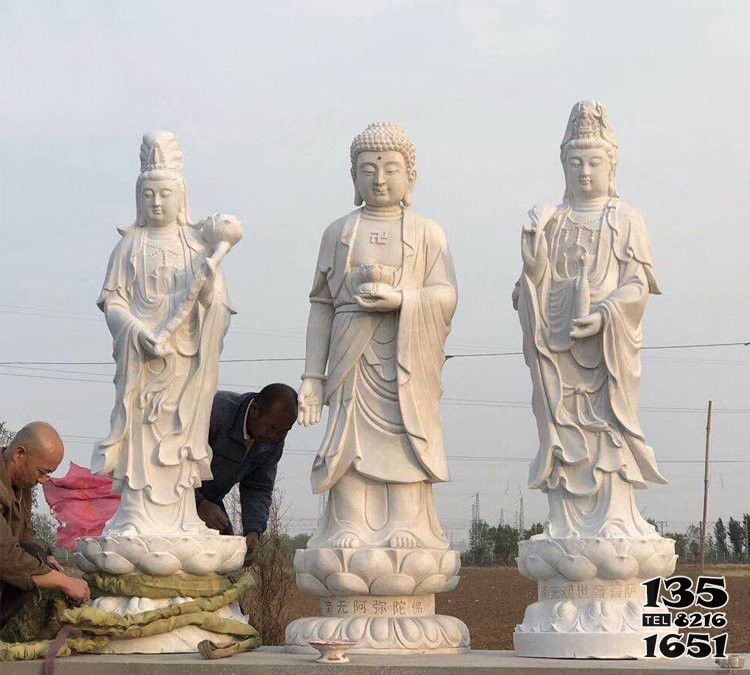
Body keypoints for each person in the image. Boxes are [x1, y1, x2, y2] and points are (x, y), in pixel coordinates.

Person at [297, 122, 458, 550]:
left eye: (390, 168)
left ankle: (406, 523)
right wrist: (313, 377)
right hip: (351, 354)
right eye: (368, 169)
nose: (380, 179)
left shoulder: (428, 232)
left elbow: (445, 294)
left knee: (407, 434)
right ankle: (350, 521)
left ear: (411, 176)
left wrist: (402, 299)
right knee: (349, 439)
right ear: (354, 177)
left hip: (405, 356)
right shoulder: (338, 232)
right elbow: (321, 305)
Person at [513, 100, 665, 539]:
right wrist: (532, 256)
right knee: (565, 433)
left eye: (594, 162)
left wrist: (605, 315)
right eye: (575, 162)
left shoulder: (625, 218)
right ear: (563, 165)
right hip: (559, 349)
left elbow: (637, 285)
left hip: (604, 352)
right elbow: (530, 289)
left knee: (608, 434)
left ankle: (616, 515)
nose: (584, 172)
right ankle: (565, 521)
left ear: (610, 165)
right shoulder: (554, 220)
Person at [92, 131, 236, 537]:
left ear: (181, 196)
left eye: (164, 194)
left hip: (182, 365)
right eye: (149, 194)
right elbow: (113, 303)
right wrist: (137, 332)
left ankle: (181, 515)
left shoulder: (196, 246)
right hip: (142, 365)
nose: (156, 203)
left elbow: (217, 308)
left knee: (179, 435)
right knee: (142, 442)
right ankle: (136, 514)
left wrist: (209, 286)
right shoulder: (128, 247)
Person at [195, 383, 297, 564]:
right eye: (271, 428)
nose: (274, 437)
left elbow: (258, 487)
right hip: (171, 496)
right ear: (255, 409)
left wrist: (253, 531)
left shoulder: (273, 442)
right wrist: (199, 504)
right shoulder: (213, 412)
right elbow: (169, 465)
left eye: (284, 432)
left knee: (228, 560)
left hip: (211, 502)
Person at [1, 422, 90, 627]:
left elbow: (24, 538)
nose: (43, 480)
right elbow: (6, 557)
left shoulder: (21, 483)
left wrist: (47, 558)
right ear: (19, 454)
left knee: (37, 555)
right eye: (42, 471)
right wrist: (65, 582)